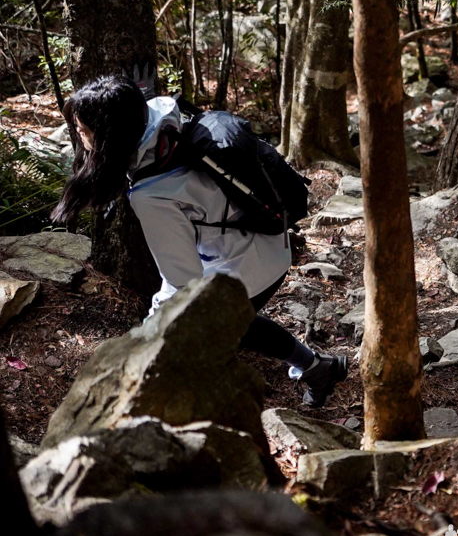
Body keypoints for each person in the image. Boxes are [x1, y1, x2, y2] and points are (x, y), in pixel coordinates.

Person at [51, 75, 347, 407]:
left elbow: (182, 281)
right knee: (239, 323)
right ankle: (317, 367)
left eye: (83, 130)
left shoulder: (153, 195)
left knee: (199, 337)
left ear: (110, 137)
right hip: (264, 243)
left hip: (248, 263)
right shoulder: (160, 113)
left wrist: (148, 333)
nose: (78, 134)